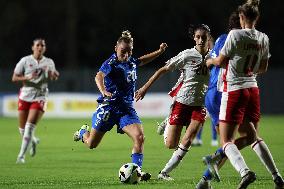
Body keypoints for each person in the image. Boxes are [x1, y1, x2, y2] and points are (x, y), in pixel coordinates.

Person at [204, 1, 284, 188]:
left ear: (241, 17)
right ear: (257, 18)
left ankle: (245, 172)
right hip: (253, 89)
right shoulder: (263, 37)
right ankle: (277, 177)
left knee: (226, 141)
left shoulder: (235, 34)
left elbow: (222, 62)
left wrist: (210, 61)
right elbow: (263, 68)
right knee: (252, 136)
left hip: (234, 90)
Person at [73, 30, 167, 181]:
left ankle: (137, 171)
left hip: (126, 109)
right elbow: (99, 76)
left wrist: (159, 52)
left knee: (140, 137)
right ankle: (83, 131)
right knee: (91, 144)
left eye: (129, 52)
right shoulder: (111, 63)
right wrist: (103, 91)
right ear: (116, 48)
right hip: (108, 108)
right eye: (123, 51)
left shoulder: (131, 62)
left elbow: (142, 60)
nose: (126, 55)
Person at [135, 24, 212, 181]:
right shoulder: (187, 55)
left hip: (200, 105)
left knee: (189, 138)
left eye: (204, 37)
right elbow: (162, 70)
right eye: (198, 37)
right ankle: (168, 121)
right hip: (182, 102)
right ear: (194, 38)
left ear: (209, 37)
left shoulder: (215, 57)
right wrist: (144, 87)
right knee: (171, 144)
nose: (201, 40)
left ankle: (164, 173)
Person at [12, 38, 59, 164]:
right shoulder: (25, 61)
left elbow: (55, 76)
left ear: (44, 48)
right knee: (22, 130)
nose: (40, 47)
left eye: (42, 45)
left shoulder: (49, 62)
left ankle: (21, 156)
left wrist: (52, 75)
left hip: (40, 96)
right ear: (33, 47)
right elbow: (14, 77)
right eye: (37, 45)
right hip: (25, 95)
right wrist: (27, 77)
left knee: (28, 127)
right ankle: (33, 141)